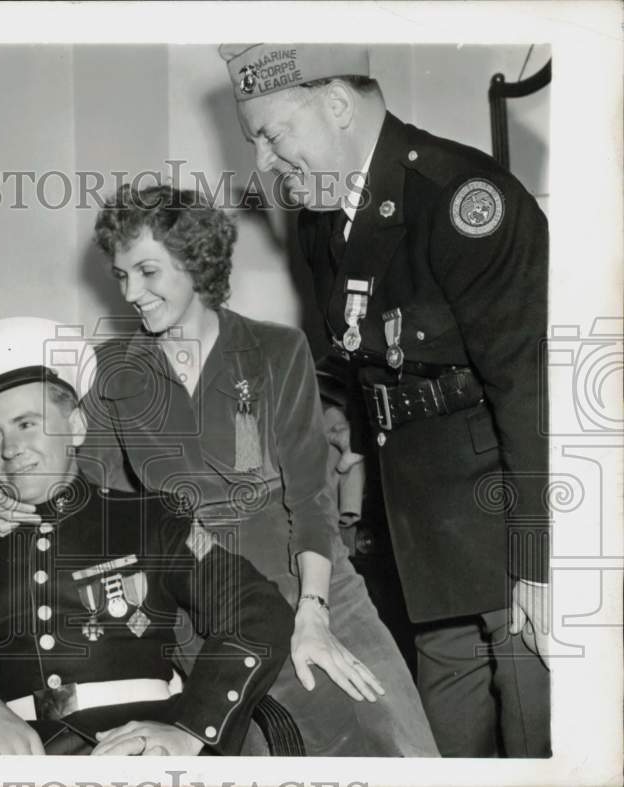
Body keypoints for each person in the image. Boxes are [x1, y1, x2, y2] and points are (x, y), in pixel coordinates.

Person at [0, 185, 438, 757]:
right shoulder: (116, 369)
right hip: (203, 601)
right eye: (122, 276)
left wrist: (314, 613)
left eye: (147, 272)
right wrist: (13, 503)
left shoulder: (276, 350)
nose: (132, 293)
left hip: (311, 582)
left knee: (392, 746)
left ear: (195, 260)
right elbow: (85, 491)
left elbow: (312, 497)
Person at [217, 43, 550, 757]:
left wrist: (538, 560)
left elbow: (530, 389)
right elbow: (327, 373)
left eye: (272, 135)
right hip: (423, 533)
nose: (264, 165)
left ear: (336, 105)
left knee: (535, 734)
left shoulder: (461, 200)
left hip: (507, 515)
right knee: (439, 746)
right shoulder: (324, 219)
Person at [0, 317, 292, 756]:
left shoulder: (151, 519)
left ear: (74, 427)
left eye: (27, 424)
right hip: (14, 764)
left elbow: (257, 611)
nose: (9, 449)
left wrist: (189, 728)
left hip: (138, 757)